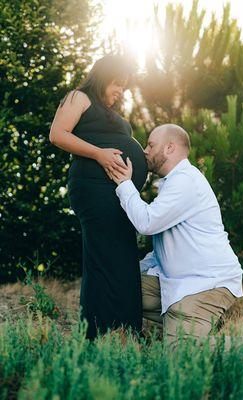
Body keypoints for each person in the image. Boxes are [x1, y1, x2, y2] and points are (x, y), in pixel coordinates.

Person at [110, 124, 243, 348]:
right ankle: (197, 324)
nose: (145, 150)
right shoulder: (172, 182)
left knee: (178, 357)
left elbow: (147, 222)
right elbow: (166, 247)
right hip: (176, 280)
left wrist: (124, 184)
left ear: (170, 148)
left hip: (205, 284)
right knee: (117, 287)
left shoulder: (185, 182)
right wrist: (132, 270)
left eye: (151, 145)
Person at [49, 55, 148, 340]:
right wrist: (99, 154)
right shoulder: (79, 97)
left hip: (116, 194)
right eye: (118, 84)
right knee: (103, 259)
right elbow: (57, 134)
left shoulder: (105, 109)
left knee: (123, 257)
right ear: (104, 76)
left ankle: (123, 332)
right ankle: (96, 334)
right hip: (94, 189)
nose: (120, 92)